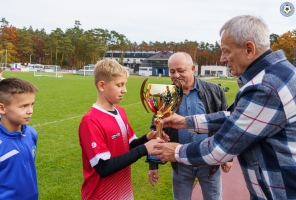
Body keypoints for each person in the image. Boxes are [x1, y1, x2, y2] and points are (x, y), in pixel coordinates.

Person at [152, 15, 296, 199]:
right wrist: (185, 122)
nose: (222, 59)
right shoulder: (276, 74)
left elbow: (220, 148)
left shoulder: (265, 86)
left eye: (226, 51)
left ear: (249, 49)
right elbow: (233, 116)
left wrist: (175, 151)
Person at [148, 52, 232, 200]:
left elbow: (226, 126)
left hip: (209, 163)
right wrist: (153, 164)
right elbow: (156, 130)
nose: (176, 75)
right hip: (180, 164)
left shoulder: (215, 91)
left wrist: (228, 157)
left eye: (181, 70)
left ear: (193, 68)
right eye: (172, 71)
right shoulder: (165, 95)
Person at [78, 59, 165, 200]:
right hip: (100, 195)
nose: (125, 90)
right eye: (119, 85)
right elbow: (103, 167)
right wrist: (144, 149)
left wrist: (146, 139)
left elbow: (129, 146)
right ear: (102, 86)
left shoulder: (120, 112)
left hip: (123, 192)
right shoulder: (91, 121)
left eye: (125, 84)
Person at [0, 78, 39, 199]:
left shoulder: (31, 133)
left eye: (32, 105)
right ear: (1, 108)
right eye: (23, 106)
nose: (30, 111)